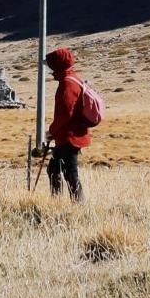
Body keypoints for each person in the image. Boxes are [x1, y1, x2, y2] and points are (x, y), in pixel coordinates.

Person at [42, 47, 101, 201]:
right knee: (55, 168)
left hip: (70, 136)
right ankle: (59, 202)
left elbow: (65, 113)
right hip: (73, 134)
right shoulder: (74, 78)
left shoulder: (67, 84)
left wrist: (52, 131)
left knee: (69, 172)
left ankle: (77, 204)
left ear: (58, 66)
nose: (49, 69)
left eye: (51, 65)